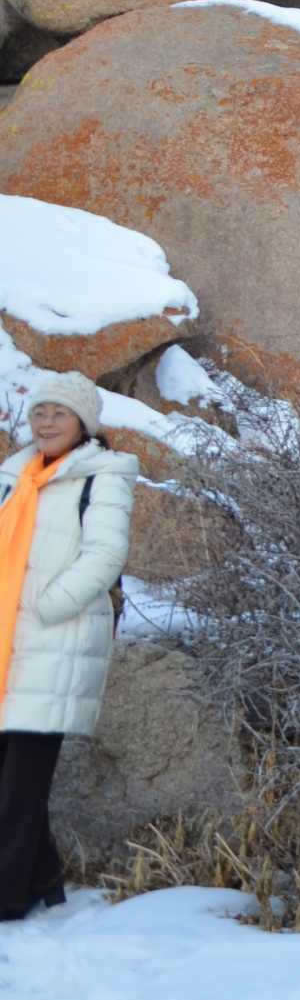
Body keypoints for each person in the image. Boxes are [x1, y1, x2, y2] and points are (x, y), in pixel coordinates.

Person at [0, 369, 136, 924]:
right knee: (9, 777)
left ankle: (8, 899)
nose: (46, 421)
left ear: (84, 423)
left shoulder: (102, 475)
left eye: (59, 412)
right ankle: (44, 879)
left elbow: (105, 555)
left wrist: (47, 606)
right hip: (9, 641)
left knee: (20, 782)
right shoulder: (15, 476)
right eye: (38, 412)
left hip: (52, 638)